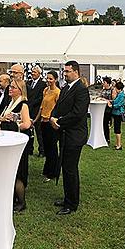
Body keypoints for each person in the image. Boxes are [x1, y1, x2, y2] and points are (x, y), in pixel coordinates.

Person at [50, 61, 90, 215]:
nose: (64, 74)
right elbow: (58, 106)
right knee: (65, 168)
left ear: (76, 72)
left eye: (67, 71)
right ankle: (68, 197)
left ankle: (72, 204)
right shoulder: (66, 87)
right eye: (64, 71)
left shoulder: (81, 90)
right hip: (65, 134)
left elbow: (78, 113)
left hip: (74, 136)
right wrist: (53, 117)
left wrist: (58, 122)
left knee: (70, 169)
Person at [0, 80, 33, 212]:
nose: (10, 89)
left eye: (13, 87)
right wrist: (1, 120)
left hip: (18, 141)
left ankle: (21, 201)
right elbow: (1, 118)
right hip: (9, 140)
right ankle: (12, 198)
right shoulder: (10, 103)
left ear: (20, 90)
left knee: (18, 171)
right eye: (10, 86)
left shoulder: (23, 105)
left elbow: (27, 124)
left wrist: (13, 126)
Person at [36, 71, 61, 181]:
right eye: (47, 78)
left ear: (55, 79)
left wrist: (53, 119)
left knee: (52, 148)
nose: (48, 80)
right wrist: (36, 119)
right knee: (46, 147)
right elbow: (41, 107)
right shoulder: (45, 90)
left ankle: (53, 172)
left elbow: (58, 109)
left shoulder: (57, 92)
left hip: (51, 123)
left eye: (51, 79)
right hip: (43, 121)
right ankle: (47, 169)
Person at [26, 66, 45, 156]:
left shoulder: (43, 84)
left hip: (37, 111)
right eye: (32, 72)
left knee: (39, 132)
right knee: (29, 131)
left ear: (39, 74)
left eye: (35, 72)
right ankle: (29, 149)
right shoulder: (28, 83)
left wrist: (32, 103)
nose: (32, 74)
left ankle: (42, 150)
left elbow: (42, 97)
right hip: (28, 111)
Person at [111, 80, 125, 150]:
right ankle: (117, 143)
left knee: (117, 129)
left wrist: (112, 105)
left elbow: (119, 104)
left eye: (116, 88)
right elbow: (115, 101)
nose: (115, 89)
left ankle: (119, 145)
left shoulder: (122, 95)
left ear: (118, 88)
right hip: (116, 113)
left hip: (118, 114)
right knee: (116, 129)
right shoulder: (119, 94)